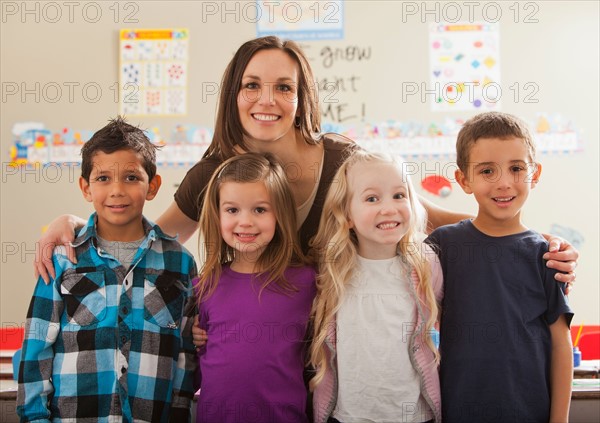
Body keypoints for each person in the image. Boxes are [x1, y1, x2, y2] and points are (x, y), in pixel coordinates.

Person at [33, 36, 578, 286]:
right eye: (252, 85)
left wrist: (527, 240)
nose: (266, 100)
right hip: (262, 342)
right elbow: (154, 237)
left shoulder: (347, 159)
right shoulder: (215, 172)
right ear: (233, 94)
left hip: (340, 343)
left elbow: (429, 215)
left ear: (302, 97)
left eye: (283, 87)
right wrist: (78, 223)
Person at [17, 117, 198, 422]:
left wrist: (179, 411)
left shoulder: (180, 263)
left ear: (151, 186)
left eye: (131, 177)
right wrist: (34, 417)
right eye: (103, 179)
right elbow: (37, 346)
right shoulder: (64, 259)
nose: (116, 190)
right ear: (85, 188)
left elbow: (186, 353)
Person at [425, 112, 574, 423]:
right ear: (464, 180)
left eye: (516, 168)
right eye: (487, 171)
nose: (504, 182)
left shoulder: (546, 255)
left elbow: (561, 346)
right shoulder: (442, 246)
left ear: (535, 174)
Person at [309, 151, 443, 423]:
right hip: (348, 416)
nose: (389, 208)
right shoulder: (332, 268)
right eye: (372, 198)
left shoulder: (426, 262)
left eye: (399, 195)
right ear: (347, 215)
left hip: (415, 416)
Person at [194, 153, 316, 423]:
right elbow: (195, 358)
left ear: (280, 214)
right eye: (232, 210)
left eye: (259, 209)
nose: (245, 221)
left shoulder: (308, 281)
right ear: (217, 214)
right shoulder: (204, 286)